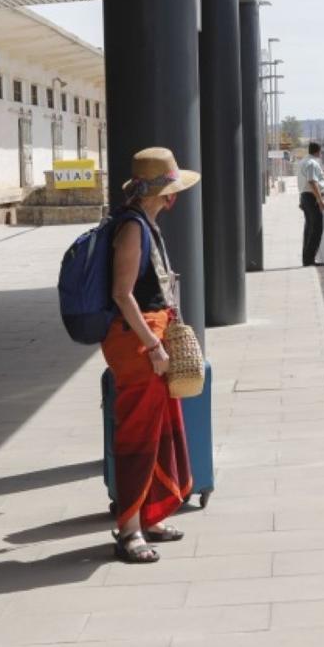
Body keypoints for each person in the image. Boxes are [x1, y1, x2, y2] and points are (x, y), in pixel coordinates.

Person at [103, 147, 200, 564]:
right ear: (165, 194)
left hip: (148, 340)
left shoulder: (145, 225)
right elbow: (122, 295)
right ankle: (129, 530)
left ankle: (152, 516)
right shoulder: (132, 230)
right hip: (138, 344)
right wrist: (155, 344)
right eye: (172, 190)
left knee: (161, 432)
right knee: (138, 438)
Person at [297, 142, 324, 266]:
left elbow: (302, 181)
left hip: (306, 197)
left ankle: (307, 259)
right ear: (318, 151)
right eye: (321, 151)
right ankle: (309, 260)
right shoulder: (312, 163)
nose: (321, 153)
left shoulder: (303, 161)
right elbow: (312, 181)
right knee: (316, 229)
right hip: (312, 198)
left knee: (309, 228)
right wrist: (320, 200)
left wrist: (301, 199)